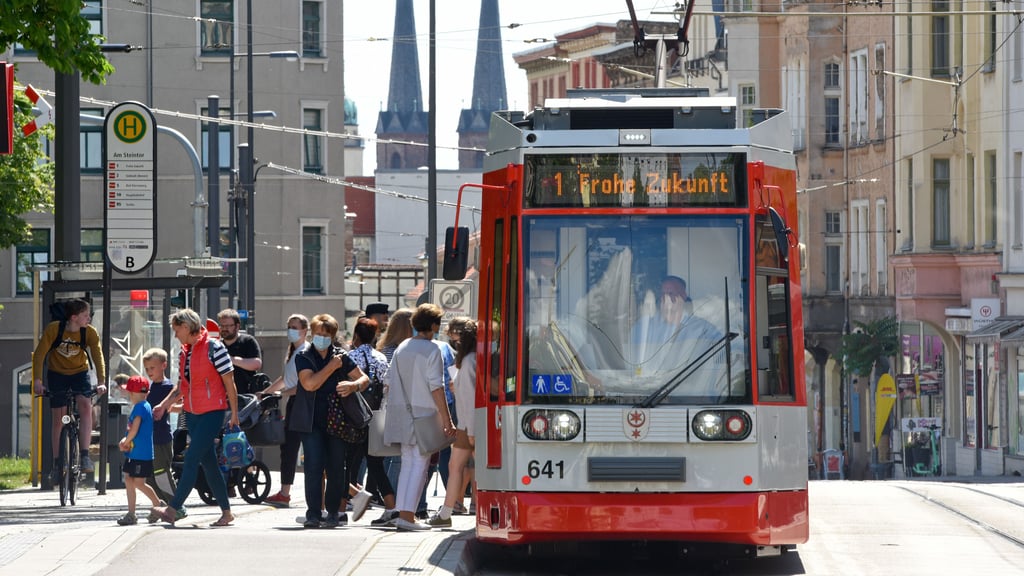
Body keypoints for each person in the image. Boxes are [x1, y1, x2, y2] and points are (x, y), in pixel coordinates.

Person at [152, 308, 239, 527]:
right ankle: (227, 513)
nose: (175, 335)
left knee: (191, 459)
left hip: (212, 412)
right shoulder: (185, 352)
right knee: (209, 464)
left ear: (185, 326)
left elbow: (229, 382)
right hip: (192, 414)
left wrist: (235, 413)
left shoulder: (214, 347)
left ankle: (173, 509)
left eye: (176, 330)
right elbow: (183, 386)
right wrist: (164, 405)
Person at [383, 303, 456, 531]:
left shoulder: (402, 346)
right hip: (423, 413)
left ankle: (403, 513)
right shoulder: (432, 349)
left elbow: (388, 380)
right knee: (420, 465)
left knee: (407, 463)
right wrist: (447, 419)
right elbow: (437, 387)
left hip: (400, 412)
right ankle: (408, 516)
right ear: (434, 324)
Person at [291, 313, 369, 529]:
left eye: (325, 334)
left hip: (337, 421)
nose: (321, 338)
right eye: (318, 334)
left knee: (337, 468)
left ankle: (334, 512)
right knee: (314, 467)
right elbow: (309, 384)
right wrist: (332, 367)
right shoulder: (304, 356)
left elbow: (364, 377)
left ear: (333, 336)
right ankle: (313, 514)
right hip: (311, 421)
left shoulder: (341, 356)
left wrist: (354, 385)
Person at [32, 298, 107, 480]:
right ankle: (58, 463)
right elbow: (40, 354)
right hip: (57, 374)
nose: (89, 318)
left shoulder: (89, 332)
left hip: (79, 373)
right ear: (73, 317)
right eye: (85, 315)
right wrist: (37, 381)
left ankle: (84, 455)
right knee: (59, 418)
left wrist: (101, 381)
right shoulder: (54, 329)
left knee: (86, 406)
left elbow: (97, 355)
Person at [428, 318, 478, 527]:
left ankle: (447, 512)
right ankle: (449, 512)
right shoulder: (473, 360)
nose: (452, 342)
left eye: (454, 337)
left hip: (469, 424)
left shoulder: (467, 362)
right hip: (471, 424)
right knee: (464, 467)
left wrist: (470, 428)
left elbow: (468, 398)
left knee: (455, 465)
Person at [347, 317, 395, 523]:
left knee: (348, 463)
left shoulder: (350, 357)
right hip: (377, 415)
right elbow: (387, 388)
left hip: (355, 416)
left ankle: (342, 507)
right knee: (376, 465)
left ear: (356, 335)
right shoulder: (381, 358)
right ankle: (392, 507)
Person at [262, 314, 309, 508]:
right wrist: (265, 393)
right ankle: (284, 492)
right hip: (294, 403)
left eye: (294, 327)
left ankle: (285, 492)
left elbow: (303, 385)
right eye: (289, 326)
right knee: (288, 449)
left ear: (305, 331)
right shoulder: (293, 352)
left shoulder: (305, 352)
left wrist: (281, 393)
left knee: (294, 449)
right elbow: (285, 378)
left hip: (301, 404)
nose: (290, 330)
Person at [116, 375, 163, 526]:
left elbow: (134, 429)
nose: (129, 395)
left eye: (130, 392)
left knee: (138, 482)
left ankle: (158, 505)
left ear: (135, 394)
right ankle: (131, 513)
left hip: (141, 454)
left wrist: (125, 441)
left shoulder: (140, 407)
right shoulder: (145, 405)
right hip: (136, 453)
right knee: (129, 480)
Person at [142, 348, 177, 515]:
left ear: (163, 366)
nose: (149, 372)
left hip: (161, 438)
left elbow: (176, 405)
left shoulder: (168, 387)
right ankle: (160, 505)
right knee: (149, 477)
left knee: (162, 473)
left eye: (152, 368)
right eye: (147, 368)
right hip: (149, 438)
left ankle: (176, 504)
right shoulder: (151, 388)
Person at [217, 308, 264, 395]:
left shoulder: (248, 341)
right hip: (223, 397)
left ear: (237, 326)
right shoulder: (217, 346)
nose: (224, 329)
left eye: (228, 326)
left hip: (245, 396)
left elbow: (256, 364)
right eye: (222, 326)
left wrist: (230, 359)